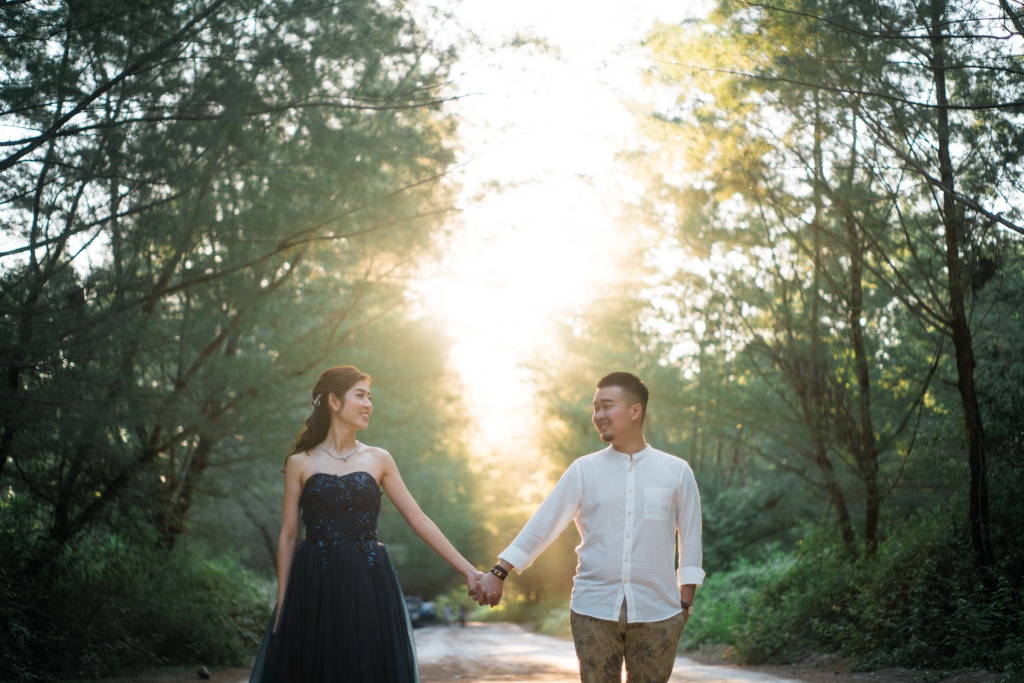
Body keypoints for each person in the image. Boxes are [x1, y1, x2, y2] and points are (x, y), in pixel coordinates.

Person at [250, 365, 483, 683]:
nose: (369, 405)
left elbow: (420, 519)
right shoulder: (299, 462)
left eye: (369, 397)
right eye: (359, 396)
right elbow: (288, 535)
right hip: (313, 585)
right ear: (334, 401)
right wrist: (282, 605)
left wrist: (469, 570)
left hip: (368, 582)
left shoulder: (379, 459)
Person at [470, 372, 703, 683]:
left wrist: (684, 604)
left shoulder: (676, 471)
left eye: (607, 406)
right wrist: (499, 572)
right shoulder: (584, 470)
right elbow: (544, 524)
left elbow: (690, 539)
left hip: (658, 611)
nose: (598, 416)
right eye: (595, 408)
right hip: (593, 609)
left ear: (635, 411)